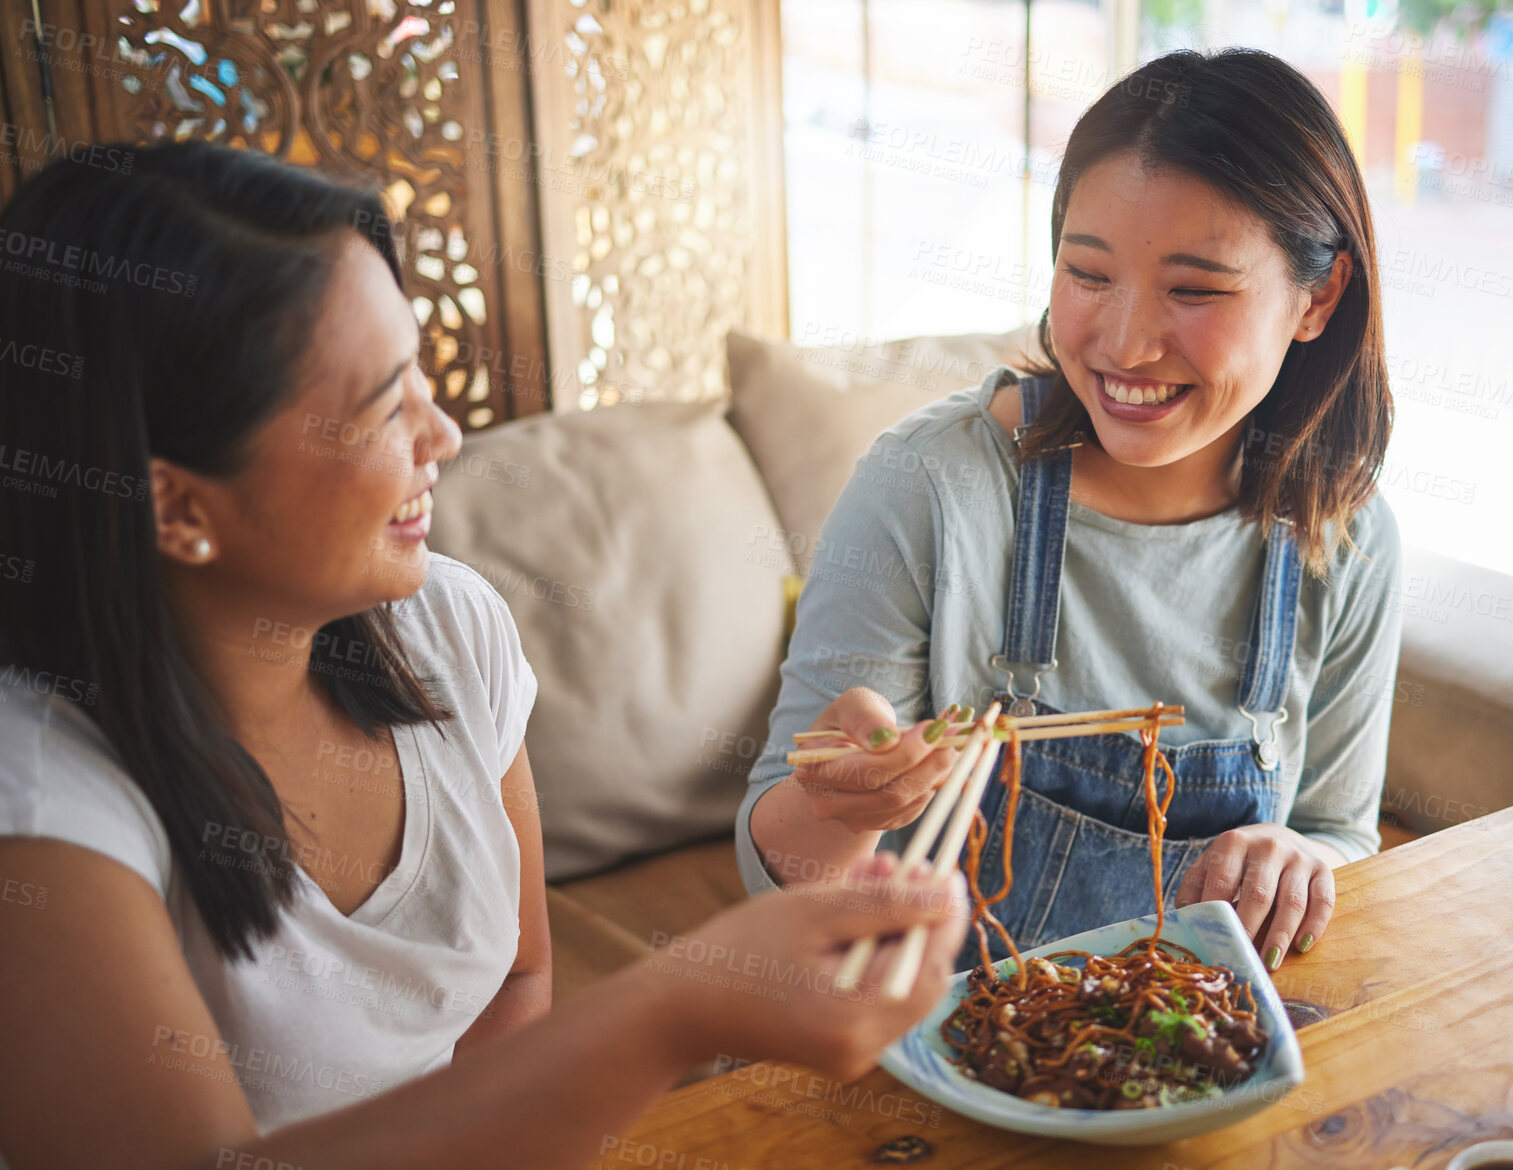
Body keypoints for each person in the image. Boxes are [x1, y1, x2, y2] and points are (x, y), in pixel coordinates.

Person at [0, 141, 967, 1169]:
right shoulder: (40, 808)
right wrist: (676, 1005)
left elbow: (512, 986)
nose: (444, 434)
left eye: (421, 374)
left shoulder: (445, 628)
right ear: (179, 505)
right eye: (382, 406)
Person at [738, 48, 1401, 976]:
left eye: (1194, 289)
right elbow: (778, 873)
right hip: (910, 1050)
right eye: (1087, 274)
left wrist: (1303, 860)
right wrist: (840, 808)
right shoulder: (928, 486)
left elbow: (1337, 831)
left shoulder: (1346, 538)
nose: (1126, 342)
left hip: (1172, 1059)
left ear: (1316, 298)